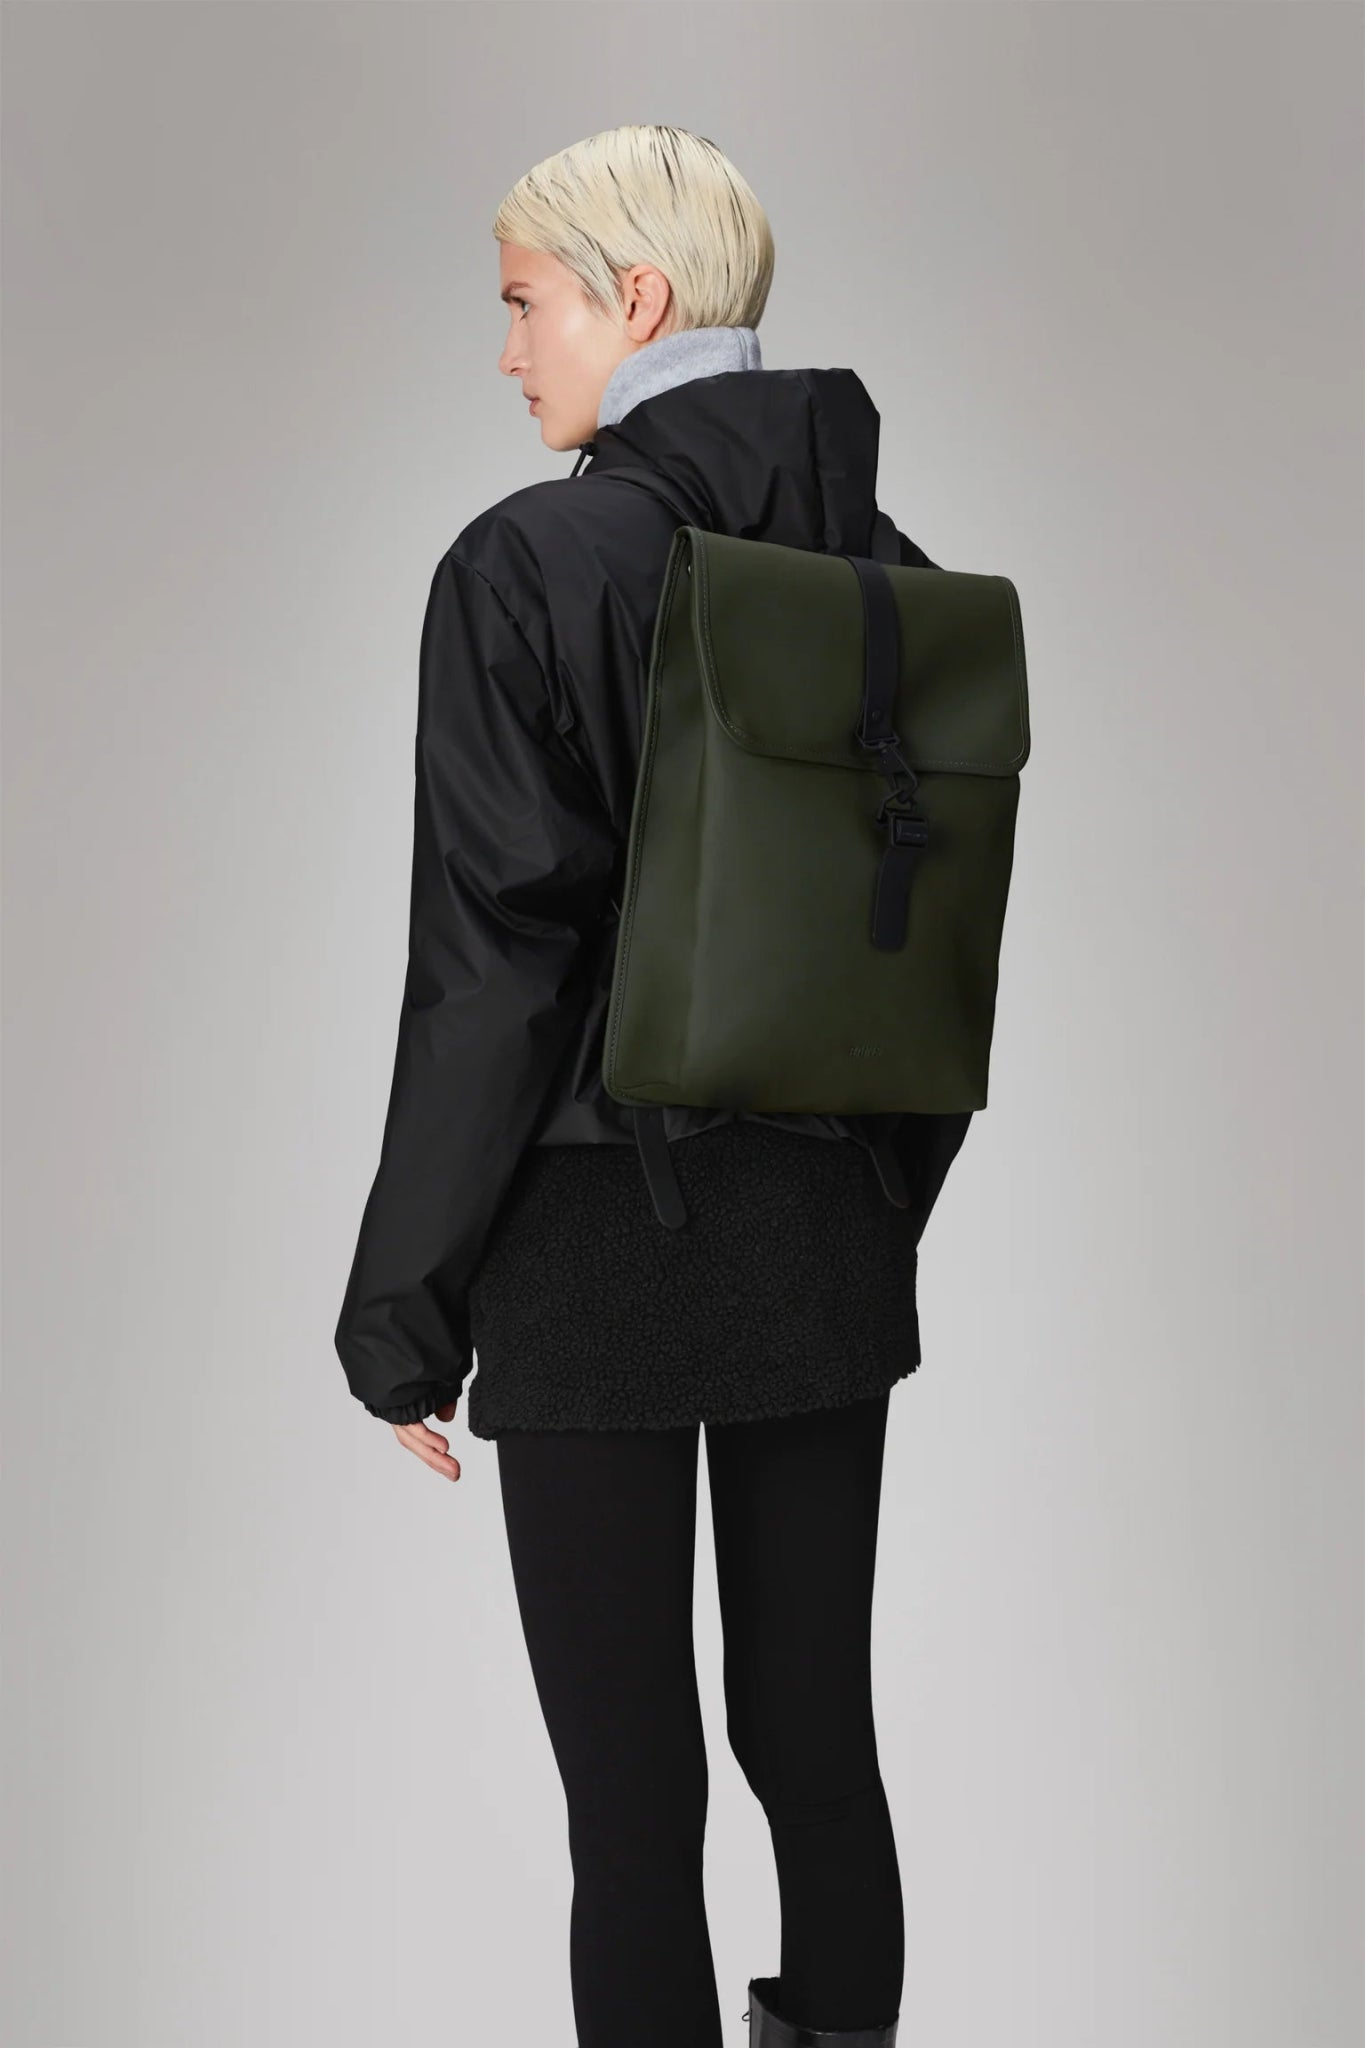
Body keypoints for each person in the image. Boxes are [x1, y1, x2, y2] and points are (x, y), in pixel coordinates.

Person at [334, 123, 972, 2048]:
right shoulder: (892, 575)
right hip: (822, 1229)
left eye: (524, 302)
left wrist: (403, 1309)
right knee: (818, 1743)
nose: (505, 349)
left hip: (590, 1237)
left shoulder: (525, 563)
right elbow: (931, 960)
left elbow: (494, 971)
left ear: (636, 298)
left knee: (630, 1801)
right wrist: (872, 1203)